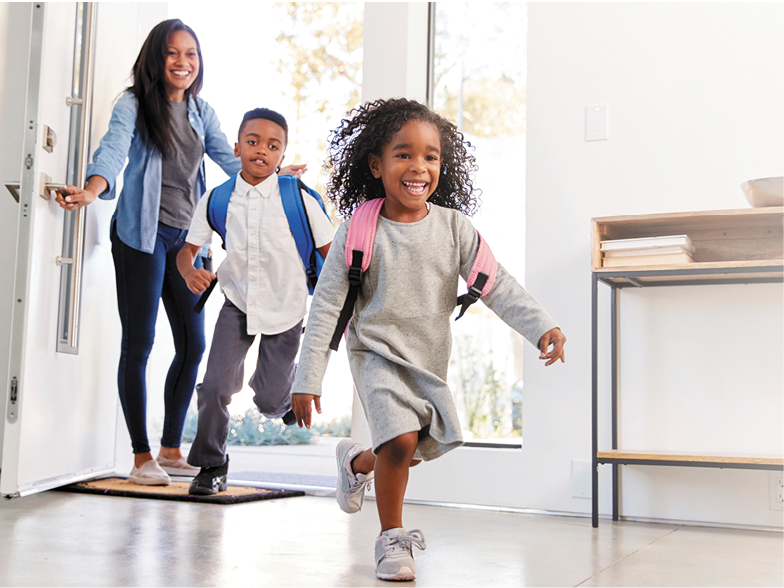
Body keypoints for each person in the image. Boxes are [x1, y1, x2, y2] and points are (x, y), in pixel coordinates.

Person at [290, 98, 566, 582]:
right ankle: (392, 539)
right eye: (403, 154)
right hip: (374, 352)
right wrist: (307, 377)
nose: (418, 166)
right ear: (376, 165)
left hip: (427, 357)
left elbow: (497, 285)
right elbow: (327, 308)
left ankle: (356, 463)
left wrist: (541, 325)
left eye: (431, 156)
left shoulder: (456, 229)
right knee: (398, 440)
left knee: (408, 446)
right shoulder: (358, 230)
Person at [54, 19, 305, 486]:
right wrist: (92, 190)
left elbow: (230, 160)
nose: (183, 62)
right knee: (141, 343)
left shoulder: (200, 111)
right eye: (173, 53)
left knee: (193, 344)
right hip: (141, 236)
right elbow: (112, 151)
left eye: (190, 54)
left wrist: (270, 169)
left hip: (188, 239)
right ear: (156, 57)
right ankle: (140, 456)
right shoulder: (133, 104)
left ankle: (171, 448)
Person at [177, 108, 334, 495]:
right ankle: (212, 465)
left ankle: (284, 390)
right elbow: (188, 250)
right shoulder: (218, 198)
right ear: (237, 147)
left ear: (282, 155)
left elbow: (331, 254)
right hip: (238, 303)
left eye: (272, 145)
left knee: (267, 400)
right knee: (214, 386)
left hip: (287, 308)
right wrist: (189, 271)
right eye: (252, 142)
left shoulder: (298, 198)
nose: (261, 150)